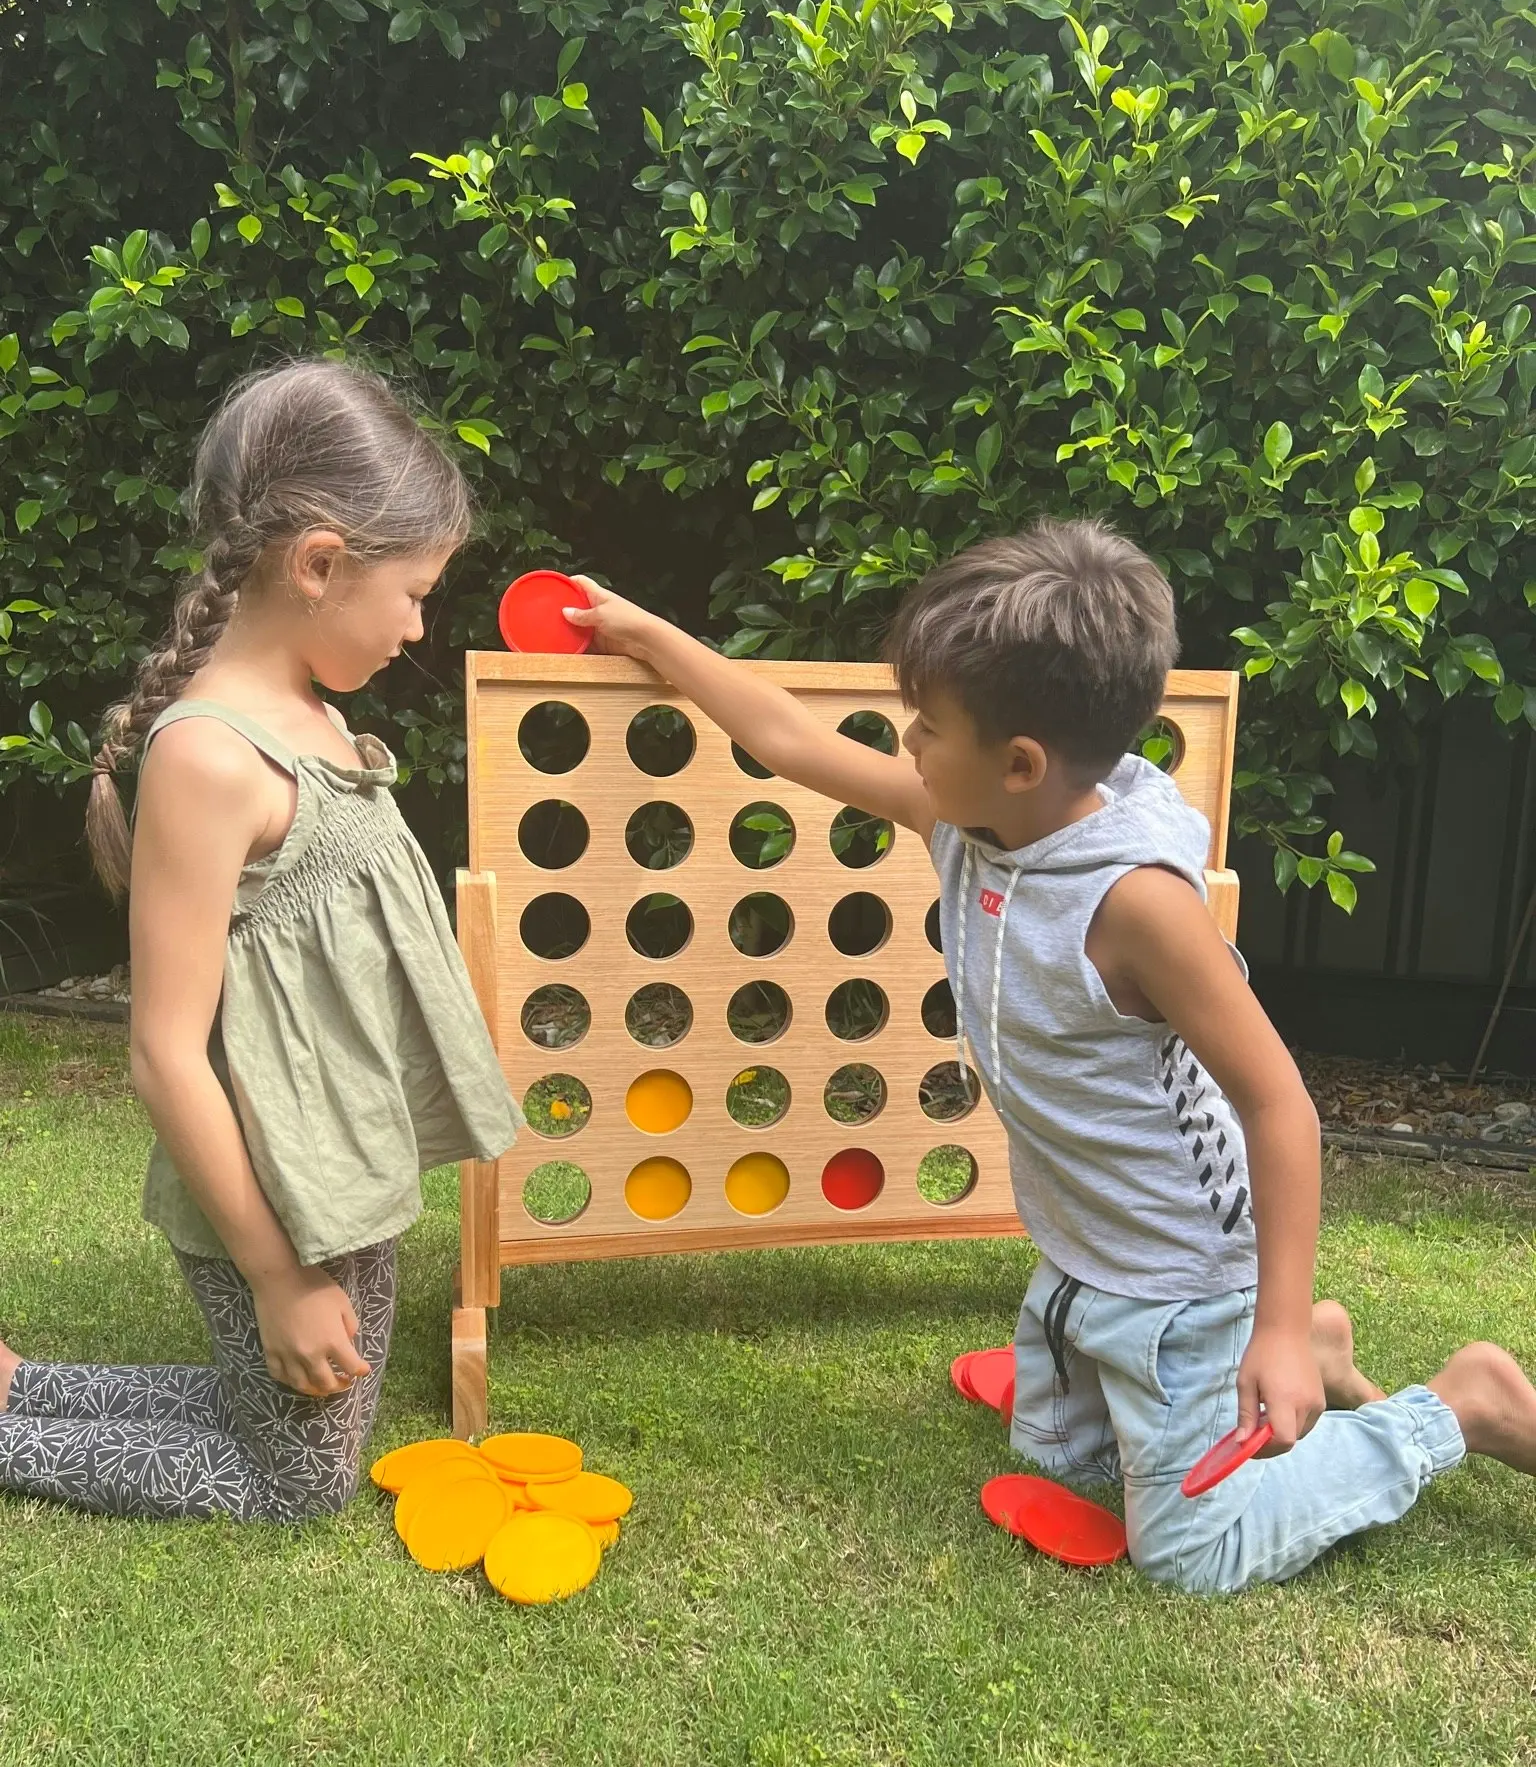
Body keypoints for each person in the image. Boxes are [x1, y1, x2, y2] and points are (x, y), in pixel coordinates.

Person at [565, 522, 1536, 1591]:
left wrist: (1270, 1322)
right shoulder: (967, 816)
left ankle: (1456, 1404)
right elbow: (791, 739)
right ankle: (1310, 1342)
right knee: (1051, 1461)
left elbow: (1279, 1106)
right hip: (1083, 1248)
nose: (906, 744)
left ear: (1021, 762)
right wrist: (652, 635)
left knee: (1191, 1554)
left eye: (927, 726)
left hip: (1179, 1270)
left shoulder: (1138, 907)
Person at [0, 359, 520, 1522]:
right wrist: (277, 1275)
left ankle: (20, 1385)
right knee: (296, 1483)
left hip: (345, 1165)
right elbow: (163, 1052)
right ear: (321, 563)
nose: (421, 626)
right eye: (415, 591)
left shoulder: (316, 710)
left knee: (295, 1415)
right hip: (274, 1187)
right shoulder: (208, 756)